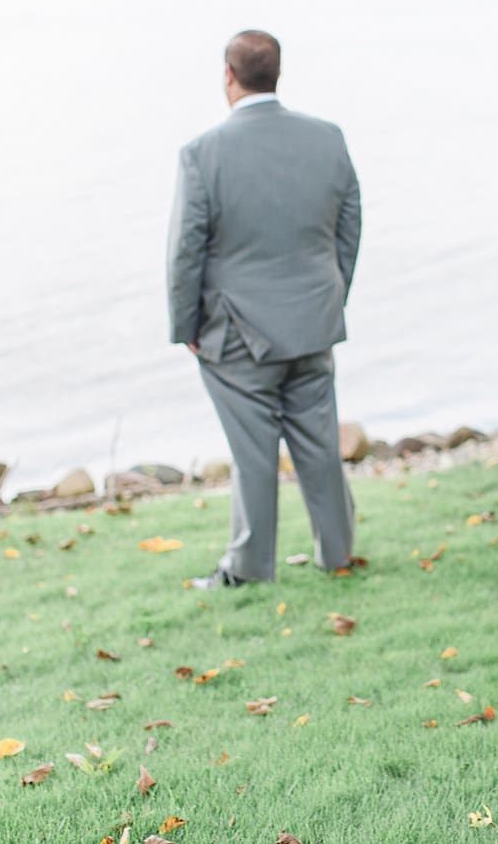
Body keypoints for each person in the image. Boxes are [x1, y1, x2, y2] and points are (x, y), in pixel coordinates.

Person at [167, 29, 361, 590]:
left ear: (228, 76)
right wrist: (331, 295)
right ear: (276, 73)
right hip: (313, 322)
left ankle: (249, 570)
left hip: (236, 335)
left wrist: (186, 328)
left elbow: (186, 250)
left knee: (253, 453)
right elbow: (349, 227)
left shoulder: (202, 154)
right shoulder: (328, 139)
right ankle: (338, 552)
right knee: (318, 442)